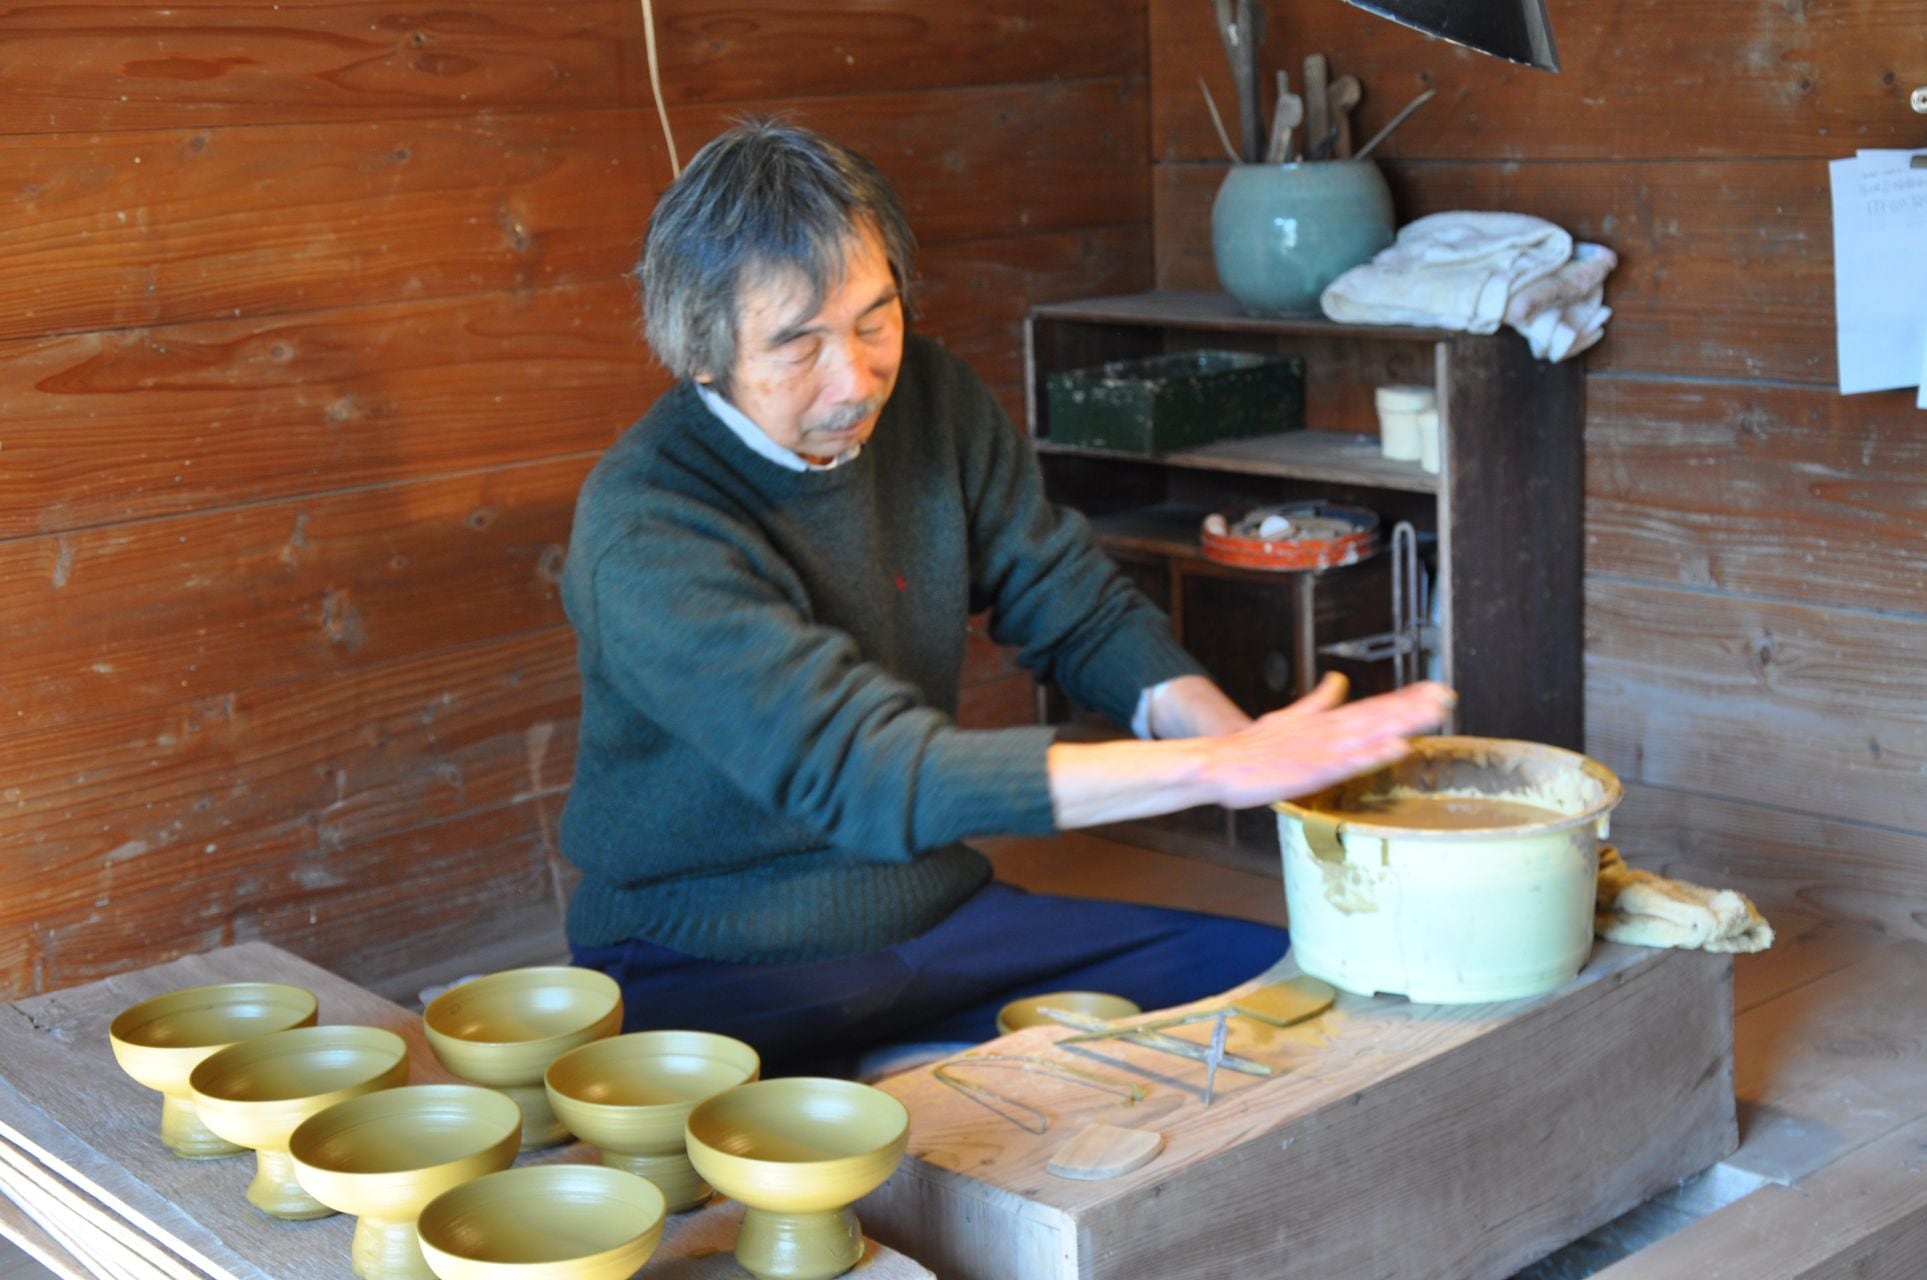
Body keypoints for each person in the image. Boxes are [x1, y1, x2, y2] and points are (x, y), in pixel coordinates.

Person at [559, 120, 1453, 1072]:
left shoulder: (930, 400)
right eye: (798, 344)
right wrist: (1216, 771)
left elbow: (1074, 607)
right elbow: (867, 772)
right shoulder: (647, 526)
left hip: (939, 918)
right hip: (705, 962)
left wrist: (1246, 752)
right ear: (701, 353)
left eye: (874, 319)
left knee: (1293, 991)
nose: (854, 377)